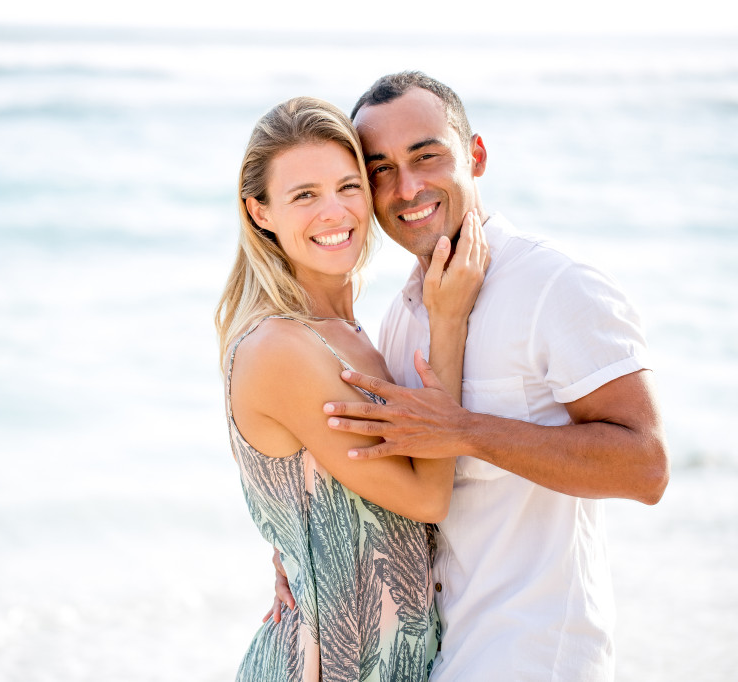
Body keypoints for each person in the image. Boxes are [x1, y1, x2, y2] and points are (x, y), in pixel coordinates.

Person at [268, 72, 670, 680]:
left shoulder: (555, 286)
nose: (407, 187)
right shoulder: (401, 316)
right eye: (381, 169)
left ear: (475, 156)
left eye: (426, 156)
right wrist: (303, 552)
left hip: (534, 658)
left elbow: (646, 467)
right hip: (438, 656)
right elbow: (397, 484)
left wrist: (465, 431)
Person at [216, 96, 489, 681]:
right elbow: (426, 499)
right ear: (260, 212)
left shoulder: (356, 334)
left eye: (348, 186)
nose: (334, 211)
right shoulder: (280, 347)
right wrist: (449, 322)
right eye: (304, 195)